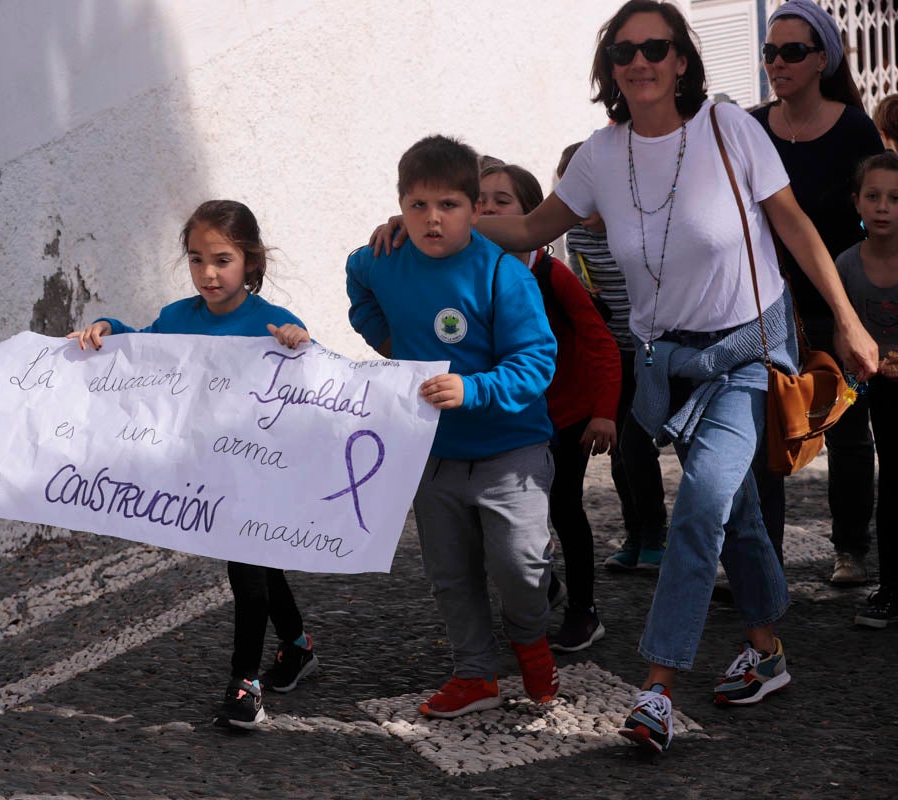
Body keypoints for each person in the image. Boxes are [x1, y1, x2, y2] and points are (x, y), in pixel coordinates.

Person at [370, 0, 876, 752]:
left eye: (656, 47)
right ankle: (767, 652)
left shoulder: (730, 127)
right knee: (734, 508)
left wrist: (846, 317)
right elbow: (533, 229)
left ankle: (657, 687)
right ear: (610, 67)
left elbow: (794, 223)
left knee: (702, 503)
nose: (639, 61)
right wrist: (428, 223)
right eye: (624, 50)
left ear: (681, 61)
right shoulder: (600, 157)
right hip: (664, 362)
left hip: (745, 352)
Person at [68, 199, 317, 730]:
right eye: (196, 258)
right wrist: (107, 329)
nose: (208, 272)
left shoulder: (275, 323)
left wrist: (302, 345)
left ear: (251, 262)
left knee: (248, 572)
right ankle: (297, 644)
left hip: (259, 472)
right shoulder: (177, 318)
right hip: (209, 473)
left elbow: (316, 388)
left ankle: (244, 682)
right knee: (263, 565)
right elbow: (143, 354)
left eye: (222, 259)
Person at [348, 135, 560, 719]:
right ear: (400, 207)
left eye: (448, 205)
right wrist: (389, 345)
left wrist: (473, 389)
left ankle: (530, 637)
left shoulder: (502, 276)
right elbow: (356, 280)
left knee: (520, 566)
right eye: (417, 206)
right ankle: (475, 675)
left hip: (511, 450)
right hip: (432, 454)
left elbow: (537, 361)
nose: (432, 219)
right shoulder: (384, 259)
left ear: (473, 208)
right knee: (450, 573)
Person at [750, 0, 885, 583]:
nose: (777, 62)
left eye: (792, 51)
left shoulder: (854, 127)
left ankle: (851, 549)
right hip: (766, 302)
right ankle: (763, 556)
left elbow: (875, 208)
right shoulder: (752, 126)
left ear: (821, 60)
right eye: (770, 51)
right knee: (769, 428)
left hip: (840, 298)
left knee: (849, 430)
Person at [478, 157, 620, 653]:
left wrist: (604, 410)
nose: (489, 210)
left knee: (563, 507)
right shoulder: (474, 271)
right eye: (481, 201)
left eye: (503, 201)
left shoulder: (552, 273)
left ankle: (583, 611)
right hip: (513, 417)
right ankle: (547, 585)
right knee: (492, 512)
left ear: (529, 213)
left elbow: (600, 342)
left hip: (568, 415)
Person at [557, 143, 669, 573]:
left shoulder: (638, 226)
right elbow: (581, 287)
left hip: (655, 349)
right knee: (624, 453)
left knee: (644, 448)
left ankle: (661, 537)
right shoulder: (577, 235)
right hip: (614, 354)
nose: (581, 201)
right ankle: (639, 536)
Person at [838, 152, 898, 627]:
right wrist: (857, 358)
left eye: (895, 199)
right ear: (856, 202)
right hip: (883, 394)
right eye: (873, 196)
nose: (883, 207)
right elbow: (843, 330)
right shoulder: (846, 265)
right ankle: (891, 587)